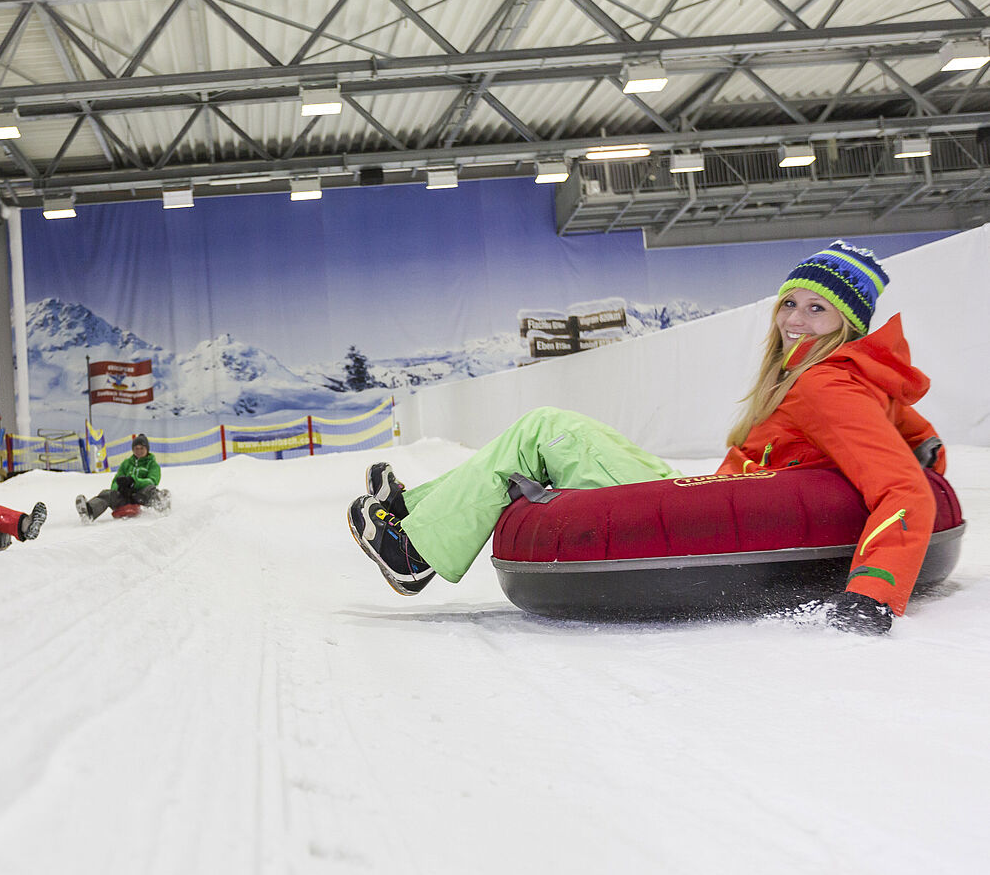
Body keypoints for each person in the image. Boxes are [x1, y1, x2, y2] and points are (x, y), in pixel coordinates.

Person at [348, 241, 945, 636]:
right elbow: (914, 442)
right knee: (551, 430)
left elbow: (903, 488)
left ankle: (413, 548)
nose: (794, 320)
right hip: (715, 493)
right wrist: (932, 454)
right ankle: (411, 515)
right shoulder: (836, 377)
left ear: (849, 322)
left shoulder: (827, 387)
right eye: (790, 303)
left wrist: (874, 594)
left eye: (818, 310)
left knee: (544, 430)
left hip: (711, 510)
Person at [74, 433, 169, 521]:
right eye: (136, 448)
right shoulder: (126, 463)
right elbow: (115, 480)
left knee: (151, 489)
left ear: (147, 449)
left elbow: (152, 481)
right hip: (124, 498)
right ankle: (89, 511)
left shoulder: (152, 464)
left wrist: (134, 482)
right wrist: (120, 488)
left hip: (141, 497)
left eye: (142, 448)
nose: (139, 451)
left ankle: (162, 505)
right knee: (107, 493)